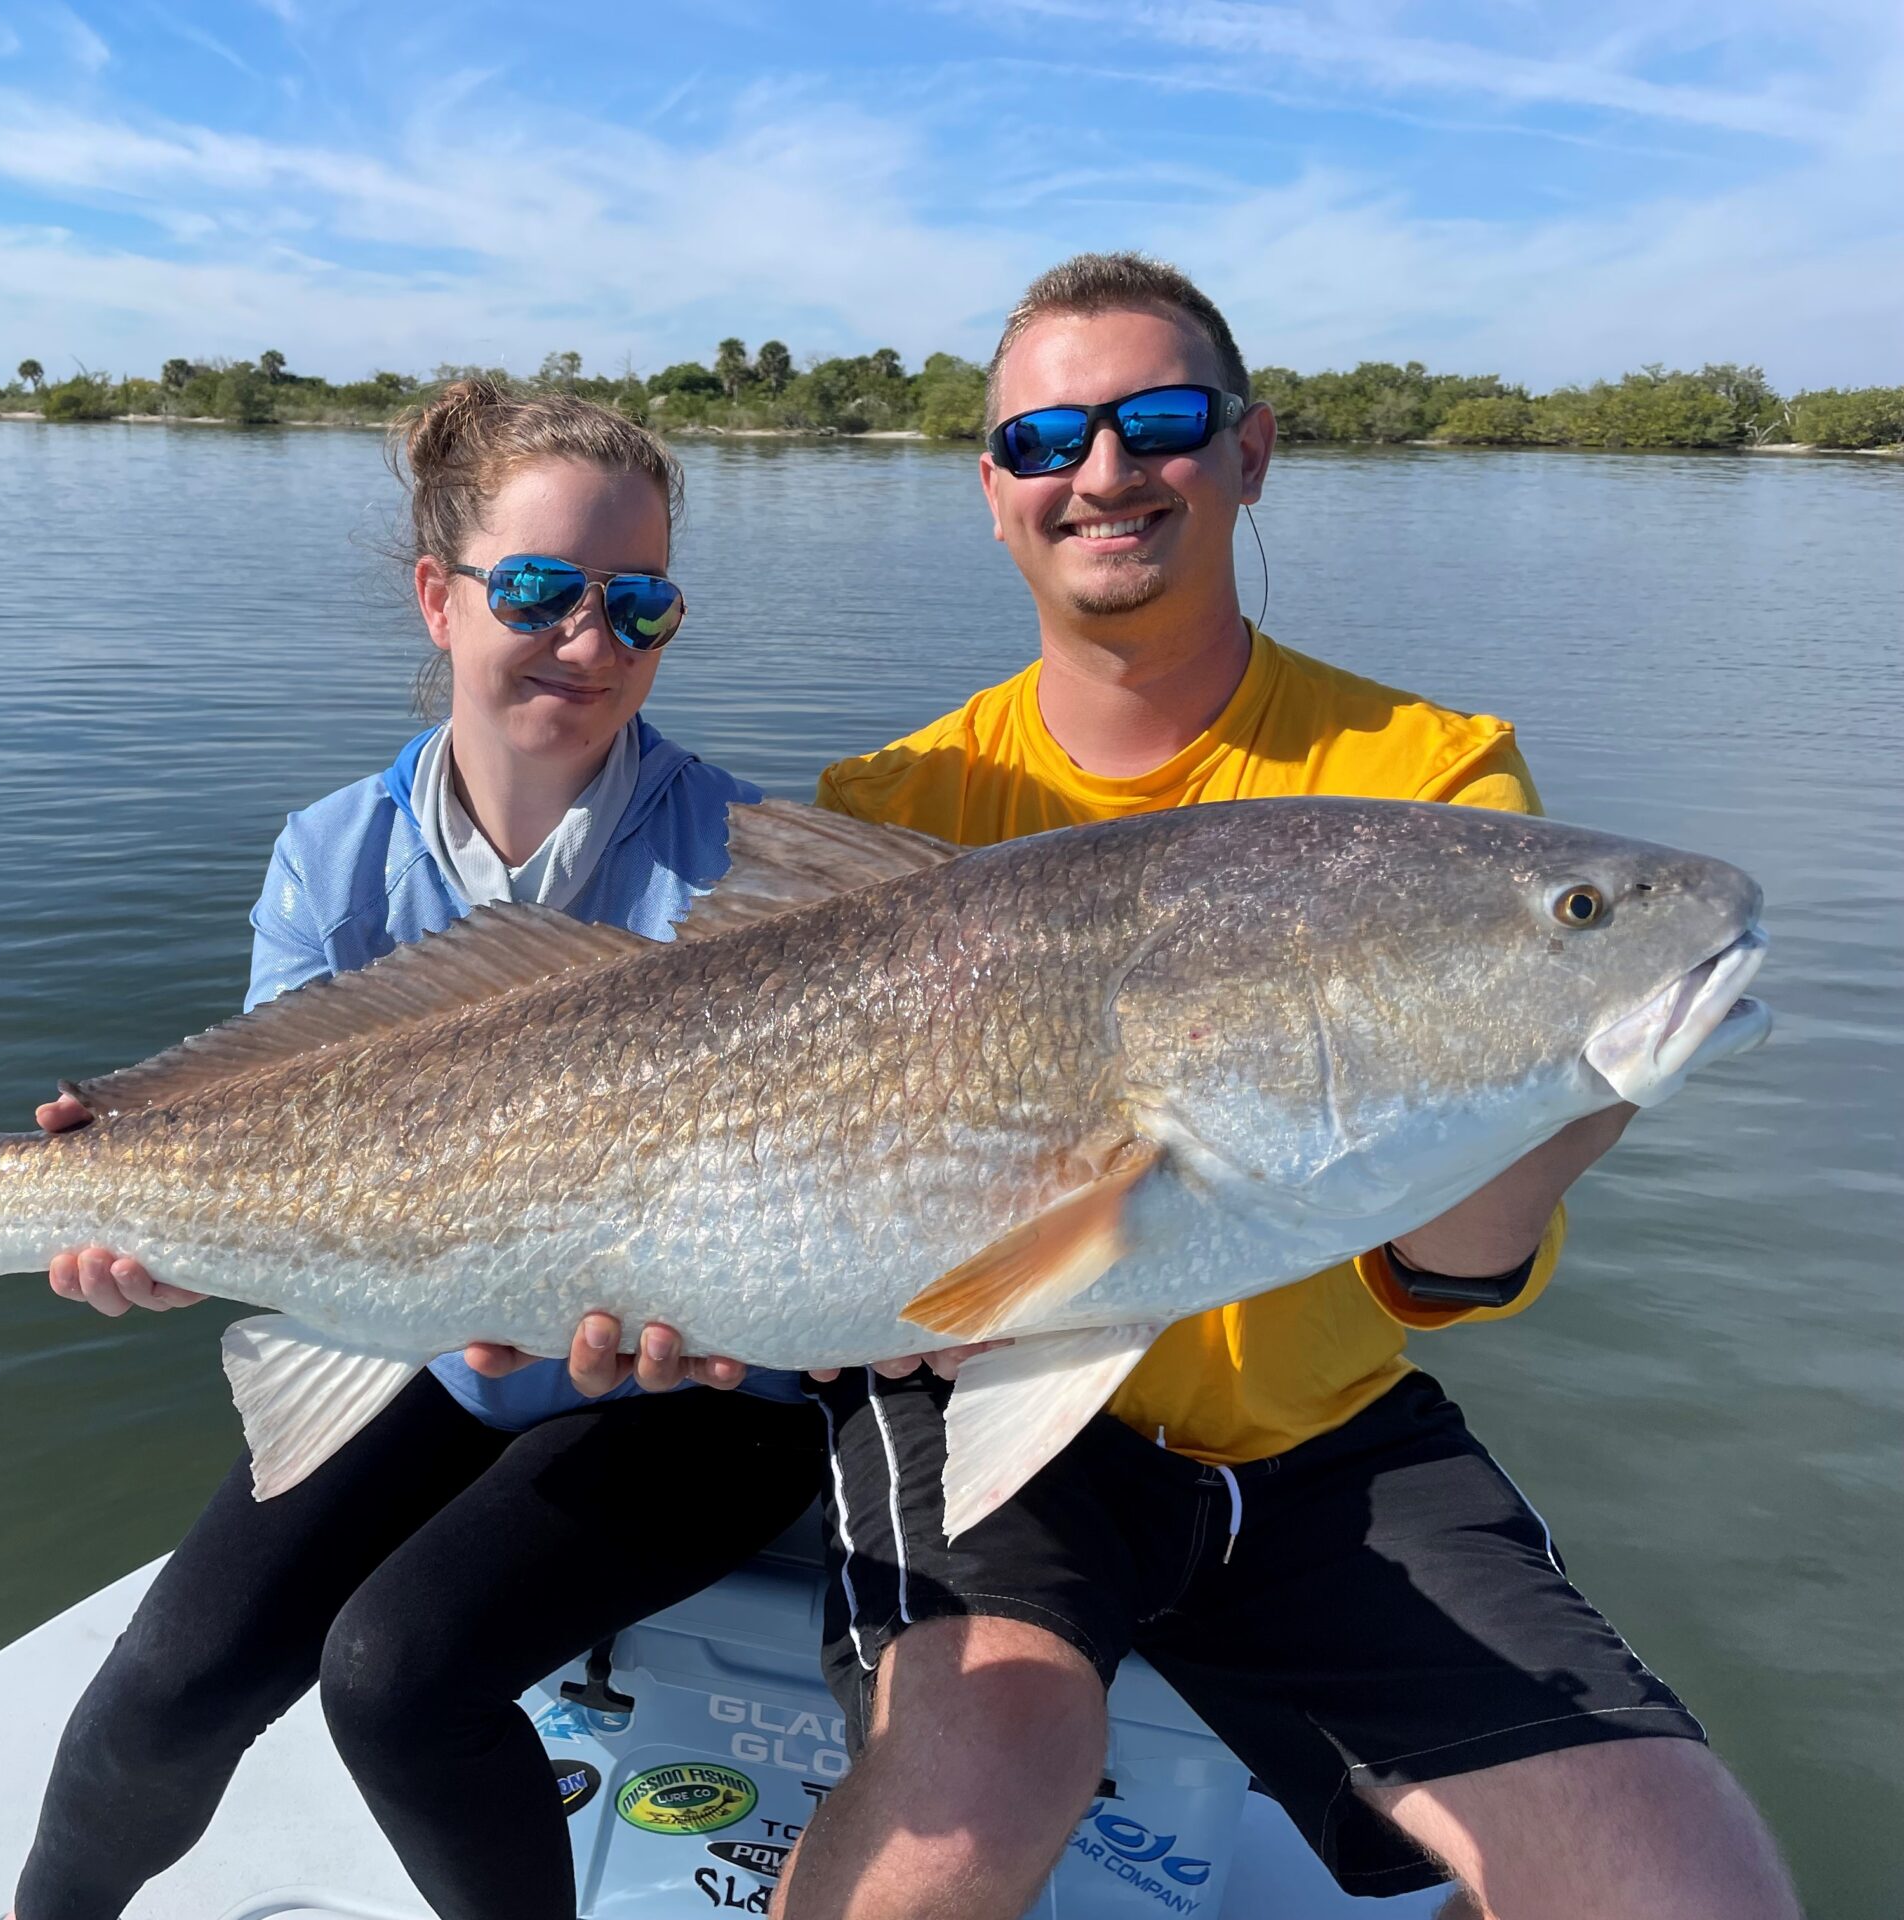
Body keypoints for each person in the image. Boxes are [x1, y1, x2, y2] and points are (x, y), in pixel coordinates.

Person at [767, 255, 1800, 1920]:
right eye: (1046, 439)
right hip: (998, 1400)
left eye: (1158, 422)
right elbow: (828, 1231)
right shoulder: (894, 810)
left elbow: (1445, 1262)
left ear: (1249, 453)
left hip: (1329, 1432)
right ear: (994, 490)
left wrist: (1580, 1088)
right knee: (953, 1825)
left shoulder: (1434, 782)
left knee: (1690, 1886)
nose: (1103, 473)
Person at [8, 380, 821, 1920]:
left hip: (707, 1381)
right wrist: (153, 1239)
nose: (590, 642)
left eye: (638, 604)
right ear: (440, 598)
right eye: (539, 591)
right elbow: (262, 1143)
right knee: (166, 1689)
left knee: (393, 1675)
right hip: (424, 1344)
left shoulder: (756, 868)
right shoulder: (332, 855)